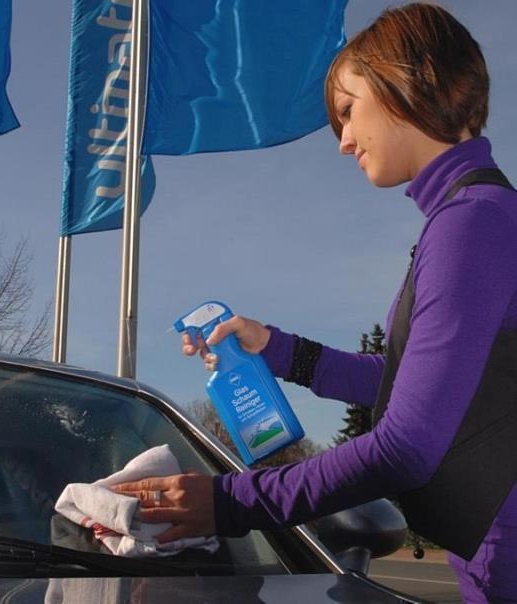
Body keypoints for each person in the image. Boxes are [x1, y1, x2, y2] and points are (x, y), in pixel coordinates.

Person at [111, 4, 517, 602]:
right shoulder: (472, 217)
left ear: (406, 79)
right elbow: (417, 384)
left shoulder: (473, 224)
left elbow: (405, 445)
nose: (344, 142)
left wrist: (228, 501)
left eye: (348, 112)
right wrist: (276, 349)